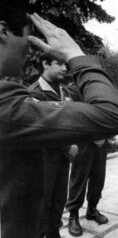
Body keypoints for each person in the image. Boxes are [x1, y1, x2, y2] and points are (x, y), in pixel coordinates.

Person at [0, 0, 118, 238]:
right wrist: (76, 56)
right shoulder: (5, 102)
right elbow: (113, 115)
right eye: (27, 37)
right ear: (3, 32)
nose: (29, 49)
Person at [29, 54, 79, 238]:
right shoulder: (34, 93)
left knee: (58, 200)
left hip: (62, 159)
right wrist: (68, 146)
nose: (65, 68)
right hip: (43, 159)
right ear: (45, 64)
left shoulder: (64, 91)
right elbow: (41, 129)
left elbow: (71, 119)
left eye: (66, 64)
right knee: (43, 201)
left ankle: (53, 232)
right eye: (59, 64)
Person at [66, 137, 113, 235]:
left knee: (98, 178)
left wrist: (105, 137)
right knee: (79, 180)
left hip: (101, 144)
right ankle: (73, 215)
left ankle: (92, 210)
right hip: (83, 142)